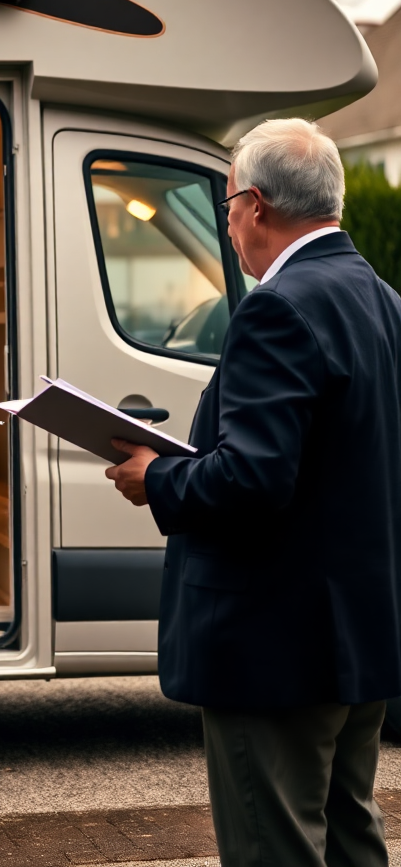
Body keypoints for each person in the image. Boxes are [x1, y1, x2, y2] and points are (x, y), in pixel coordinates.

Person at [105, 118, 401, 867]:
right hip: (359, 638)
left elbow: (254, 477)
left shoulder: (277, 306)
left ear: (257, 205)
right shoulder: (386, 303)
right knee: (349, 837)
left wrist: (157, 477)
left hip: (276, 645)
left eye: (230, 203)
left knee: (275, 847)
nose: (228, 221)